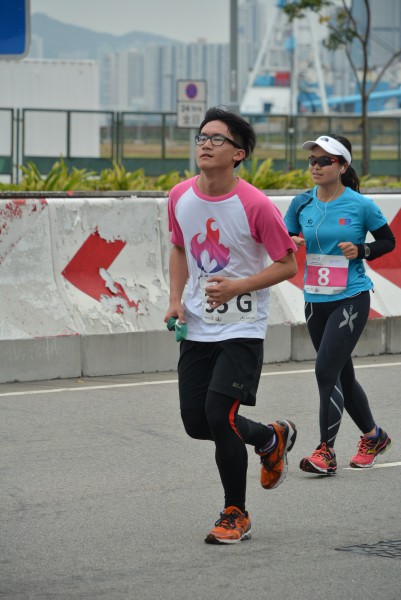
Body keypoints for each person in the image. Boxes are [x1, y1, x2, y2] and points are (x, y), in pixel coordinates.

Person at [164, 106, 298, 544]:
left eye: (217, 139)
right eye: (202, 137)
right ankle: (269, 438)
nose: (205, 144)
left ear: (238, 153)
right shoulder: (179, 196)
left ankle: (235, 513)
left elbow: (287, 264)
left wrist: (239, 285)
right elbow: (180, 249)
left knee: (219, 417)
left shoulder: (255, 204)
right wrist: (175, 300)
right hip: (199, 324)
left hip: (242, 327)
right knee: (195, 422)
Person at [284, 134, 396, 476]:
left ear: (343, 166)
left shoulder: (360, 205)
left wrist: (361, 250)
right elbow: (282, 239)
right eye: (312, 160)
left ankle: (326, 451)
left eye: (324, 161)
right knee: (341, 375)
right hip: (314, 299)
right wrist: (291, 241)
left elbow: (388, 241)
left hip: (351, 298)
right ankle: (373, 437)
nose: (315, 166)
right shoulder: (300, 203)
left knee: (324, 370)